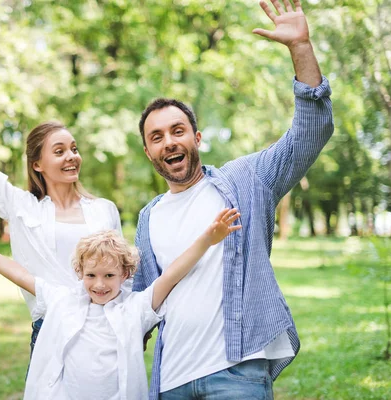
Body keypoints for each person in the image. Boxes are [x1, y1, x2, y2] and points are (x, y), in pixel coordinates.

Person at [132, 1, 334, 399]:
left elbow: (311, 133)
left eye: (177, 130)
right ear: (148, 152)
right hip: (171, 379)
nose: (169, 141)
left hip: (236, 374)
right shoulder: (148, 217)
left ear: (197, 138)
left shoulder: (246, 179)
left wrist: (301, 49)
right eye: (156, 137)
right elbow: (140, 305)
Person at [0, 75, 122, 357]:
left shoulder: (104, 209)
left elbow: (125, 274)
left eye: (74, 149)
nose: (71, 157)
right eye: (60, 151)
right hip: (50, 329)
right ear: (37, 164)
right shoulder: (22, 206)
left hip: (103, 329)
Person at [0, 207, 241, 399]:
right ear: (79, 272)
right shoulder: (64, 299)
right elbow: (20, 274)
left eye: (109, 275)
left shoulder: (136, 308)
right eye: (91, 275)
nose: (99, 284)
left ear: (125, 273)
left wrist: (207, 239)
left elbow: (173, 274)